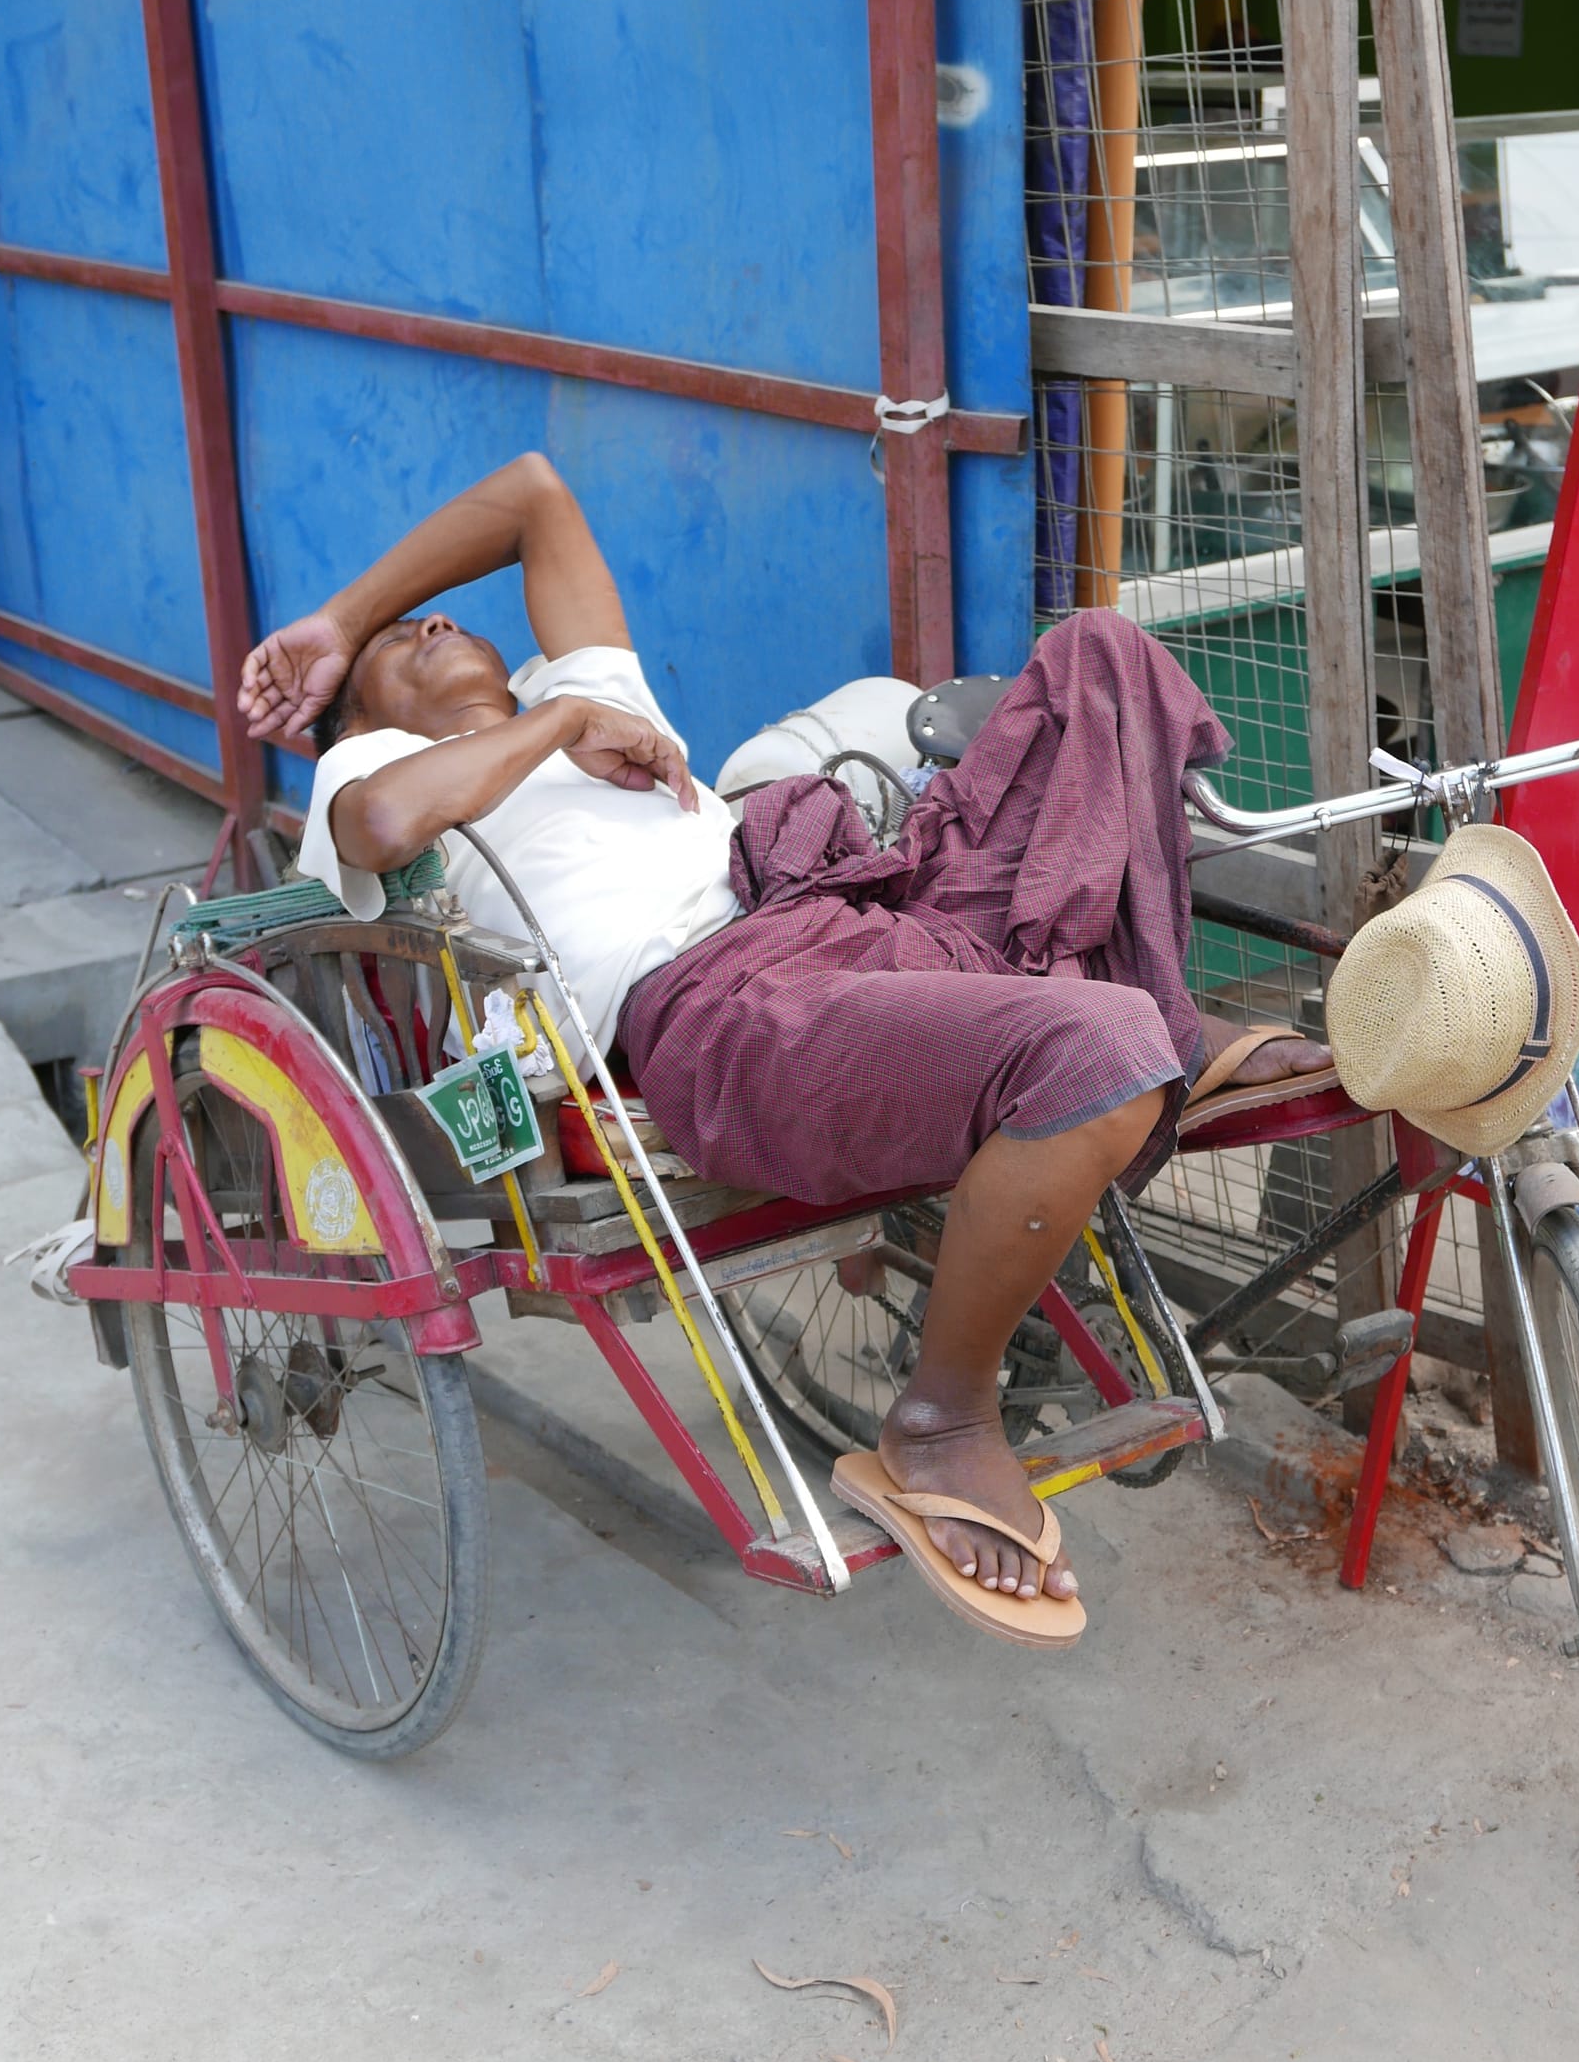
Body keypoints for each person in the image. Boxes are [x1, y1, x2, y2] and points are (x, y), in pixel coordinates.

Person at [243, 455, 1332, 1642]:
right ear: (354, 718)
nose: (441, 620)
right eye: (402, 642)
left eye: (438, 611)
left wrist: (342, 620)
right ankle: (941, 1422)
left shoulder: (604, 695)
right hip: (716, 1010)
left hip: (838, 909)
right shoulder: (376, 766)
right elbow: (392, 823)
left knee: (1097, 658)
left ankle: (1167, 1021)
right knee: (1101, 1048)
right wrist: (558, 720)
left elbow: (534, 495)